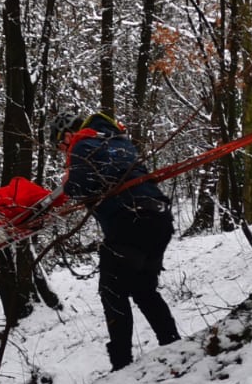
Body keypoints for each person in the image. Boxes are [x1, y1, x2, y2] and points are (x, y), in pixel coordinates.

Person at [53, 110, 180, 370]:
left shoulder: (82, 144)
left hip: (128, 221)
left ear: (67, 135)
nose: (62, 151)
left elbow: (80, 185)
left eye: (60, 145)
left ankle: (121, 363)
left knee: (112, 292)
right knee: (143, 289)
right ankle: (172, 342)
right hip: (157, 217)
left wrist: (67, 184)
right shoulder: (119, 141)